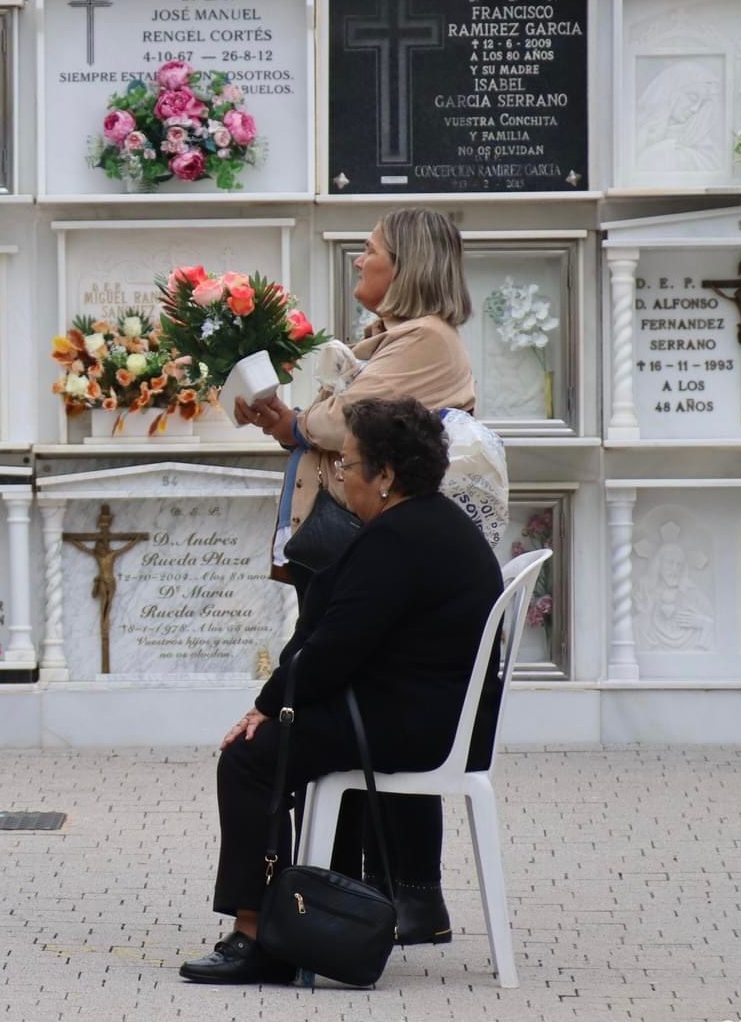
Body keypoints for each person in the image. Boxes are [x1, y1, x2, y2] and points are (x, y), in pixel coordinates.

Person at [231, 206, 501, 943]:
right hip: (365, 546)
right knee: (343, 692)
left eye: (372, 251)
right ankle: (365, 889)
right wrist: (292, 420)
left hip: (381, 554)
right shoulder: (394, 339)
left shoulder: (426, 341)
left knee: (339, 699)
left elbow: (339, 421)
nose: (359, 260)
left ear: (406, 266)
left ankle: (398, 895)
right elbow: (323, 420)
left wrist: (307, 417)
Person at [180, 398, 503, 984]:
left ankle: (257, 938)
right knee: (278, 740)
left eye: (350, 464)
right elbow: (335, 626)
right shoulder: (428, 522)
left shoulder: (399, 539)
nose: (341, 475)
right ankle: (298, 919)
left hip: (414, 726)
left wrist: (265, 708)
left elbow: (335, 647)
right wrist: (280, 698)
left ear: (386, 476)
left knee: (249, 760)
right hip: (425, 714)